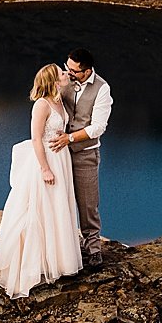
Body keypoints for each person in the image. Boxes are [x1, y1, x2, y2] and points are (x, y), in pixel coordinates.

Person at [0, 63, 83, 297]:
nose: (66, 74)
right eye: (62, 73)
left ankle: (60, 260)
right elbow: (35, 139)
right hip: (47, 161)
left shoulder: (59, 99)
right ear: (53, 80)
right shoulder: (42, 105)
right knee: (38, 210)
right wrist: (44, 169)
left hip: (61, 159)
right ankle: (34, 265)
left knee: (58, 207)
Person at [61, 46, 112, 265]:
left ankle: (93, 248)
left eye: (74, 71)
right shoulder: (63, 80)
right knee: (58, 200)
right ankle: (65, 246)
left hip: (85, 154)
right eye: (68, 68)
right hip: (59, 153)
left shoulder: (102, 89)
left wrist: (70, 139)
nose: (69, 74)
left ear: (88, 71)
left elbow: (98, 127)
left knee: (88, 203)